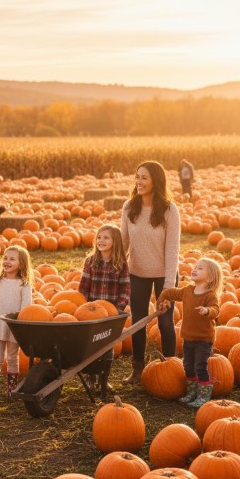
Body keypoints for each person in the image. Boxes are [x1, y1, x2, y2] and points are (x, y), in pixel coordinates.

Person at [120, 160, 180, 384]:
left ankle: (173, 368)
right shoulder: (129, 207)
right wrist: (115, 268)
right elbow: (124, 244)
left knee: (165, 323)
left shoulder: (169, 209)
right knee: (138, 322)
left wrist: (168, 288)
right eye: (137, 177)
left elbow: (173, 250)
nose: (139, 181)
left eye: (144, 177)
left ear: (156, 180)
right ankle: (137, 369)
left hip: (164, 274)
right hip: (137, 273)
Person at [157, 257, 222, 408]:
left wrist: (207, 311)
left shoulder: (210, 295)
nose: (194, 269)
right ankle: (191, 393)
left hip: (203, 338)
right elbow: (171, 293)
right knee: (188, 365)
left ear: (210, 277)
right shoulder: (187, 291)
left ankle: (203, 395)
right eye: (195, 266)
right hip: (188, 337)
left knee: (200, 366)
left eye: (200, 268)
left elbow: (216, 310)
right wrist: (163, 299)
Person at [78, 224, 130, 392]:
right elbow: (83, 288)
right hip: (91, 313)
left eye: (106, 237)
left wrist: (117, 309)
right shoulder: (91, 261)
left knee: (107, 348)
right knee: (91, 347)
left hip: (111, 314)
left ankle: (103, 379)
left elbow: (125, 290)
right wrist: (83, 307)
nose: (101, 240)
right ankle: (90, 377)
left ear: (115, 242)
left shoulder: (121, 264)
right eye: (99, 237)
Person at [0, 245, 33, 403]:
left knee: (12, 357)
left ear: (21, 263)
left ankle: (12, 389)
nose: (7, 261)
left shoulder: (24, 284)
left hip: (14, 326)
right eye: (5, 258)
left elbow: (26, 307)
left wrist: (23, 328)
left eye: (12, 259)